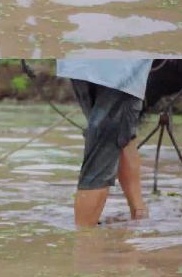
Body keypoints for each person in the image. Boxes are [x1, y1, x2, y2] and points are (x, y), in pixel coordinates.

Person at [55, 58, 153, 228]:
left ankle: (139, 217)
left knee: (120, 136)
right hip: (121, 65)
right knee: (102, 151)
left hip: (78, 61)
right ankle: (84, 240)